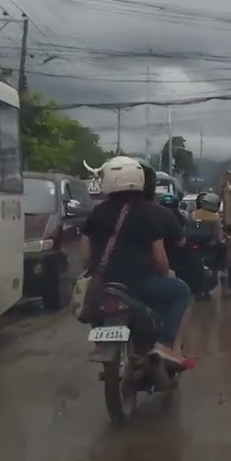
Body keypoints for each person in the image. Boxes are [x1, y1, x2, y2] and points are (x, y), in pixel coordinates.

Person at [81, 156, 191, 364]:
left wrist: (93, 272)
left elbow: (86, 256)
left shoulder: (97, 212)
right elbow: (160, 258)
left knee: (95, 298)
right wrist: (166, 274)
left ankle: (99, 344)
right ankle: (164, 345)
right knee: (182, 292)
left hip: (105, 282)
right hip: (141, 283)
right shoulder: (151, 212)